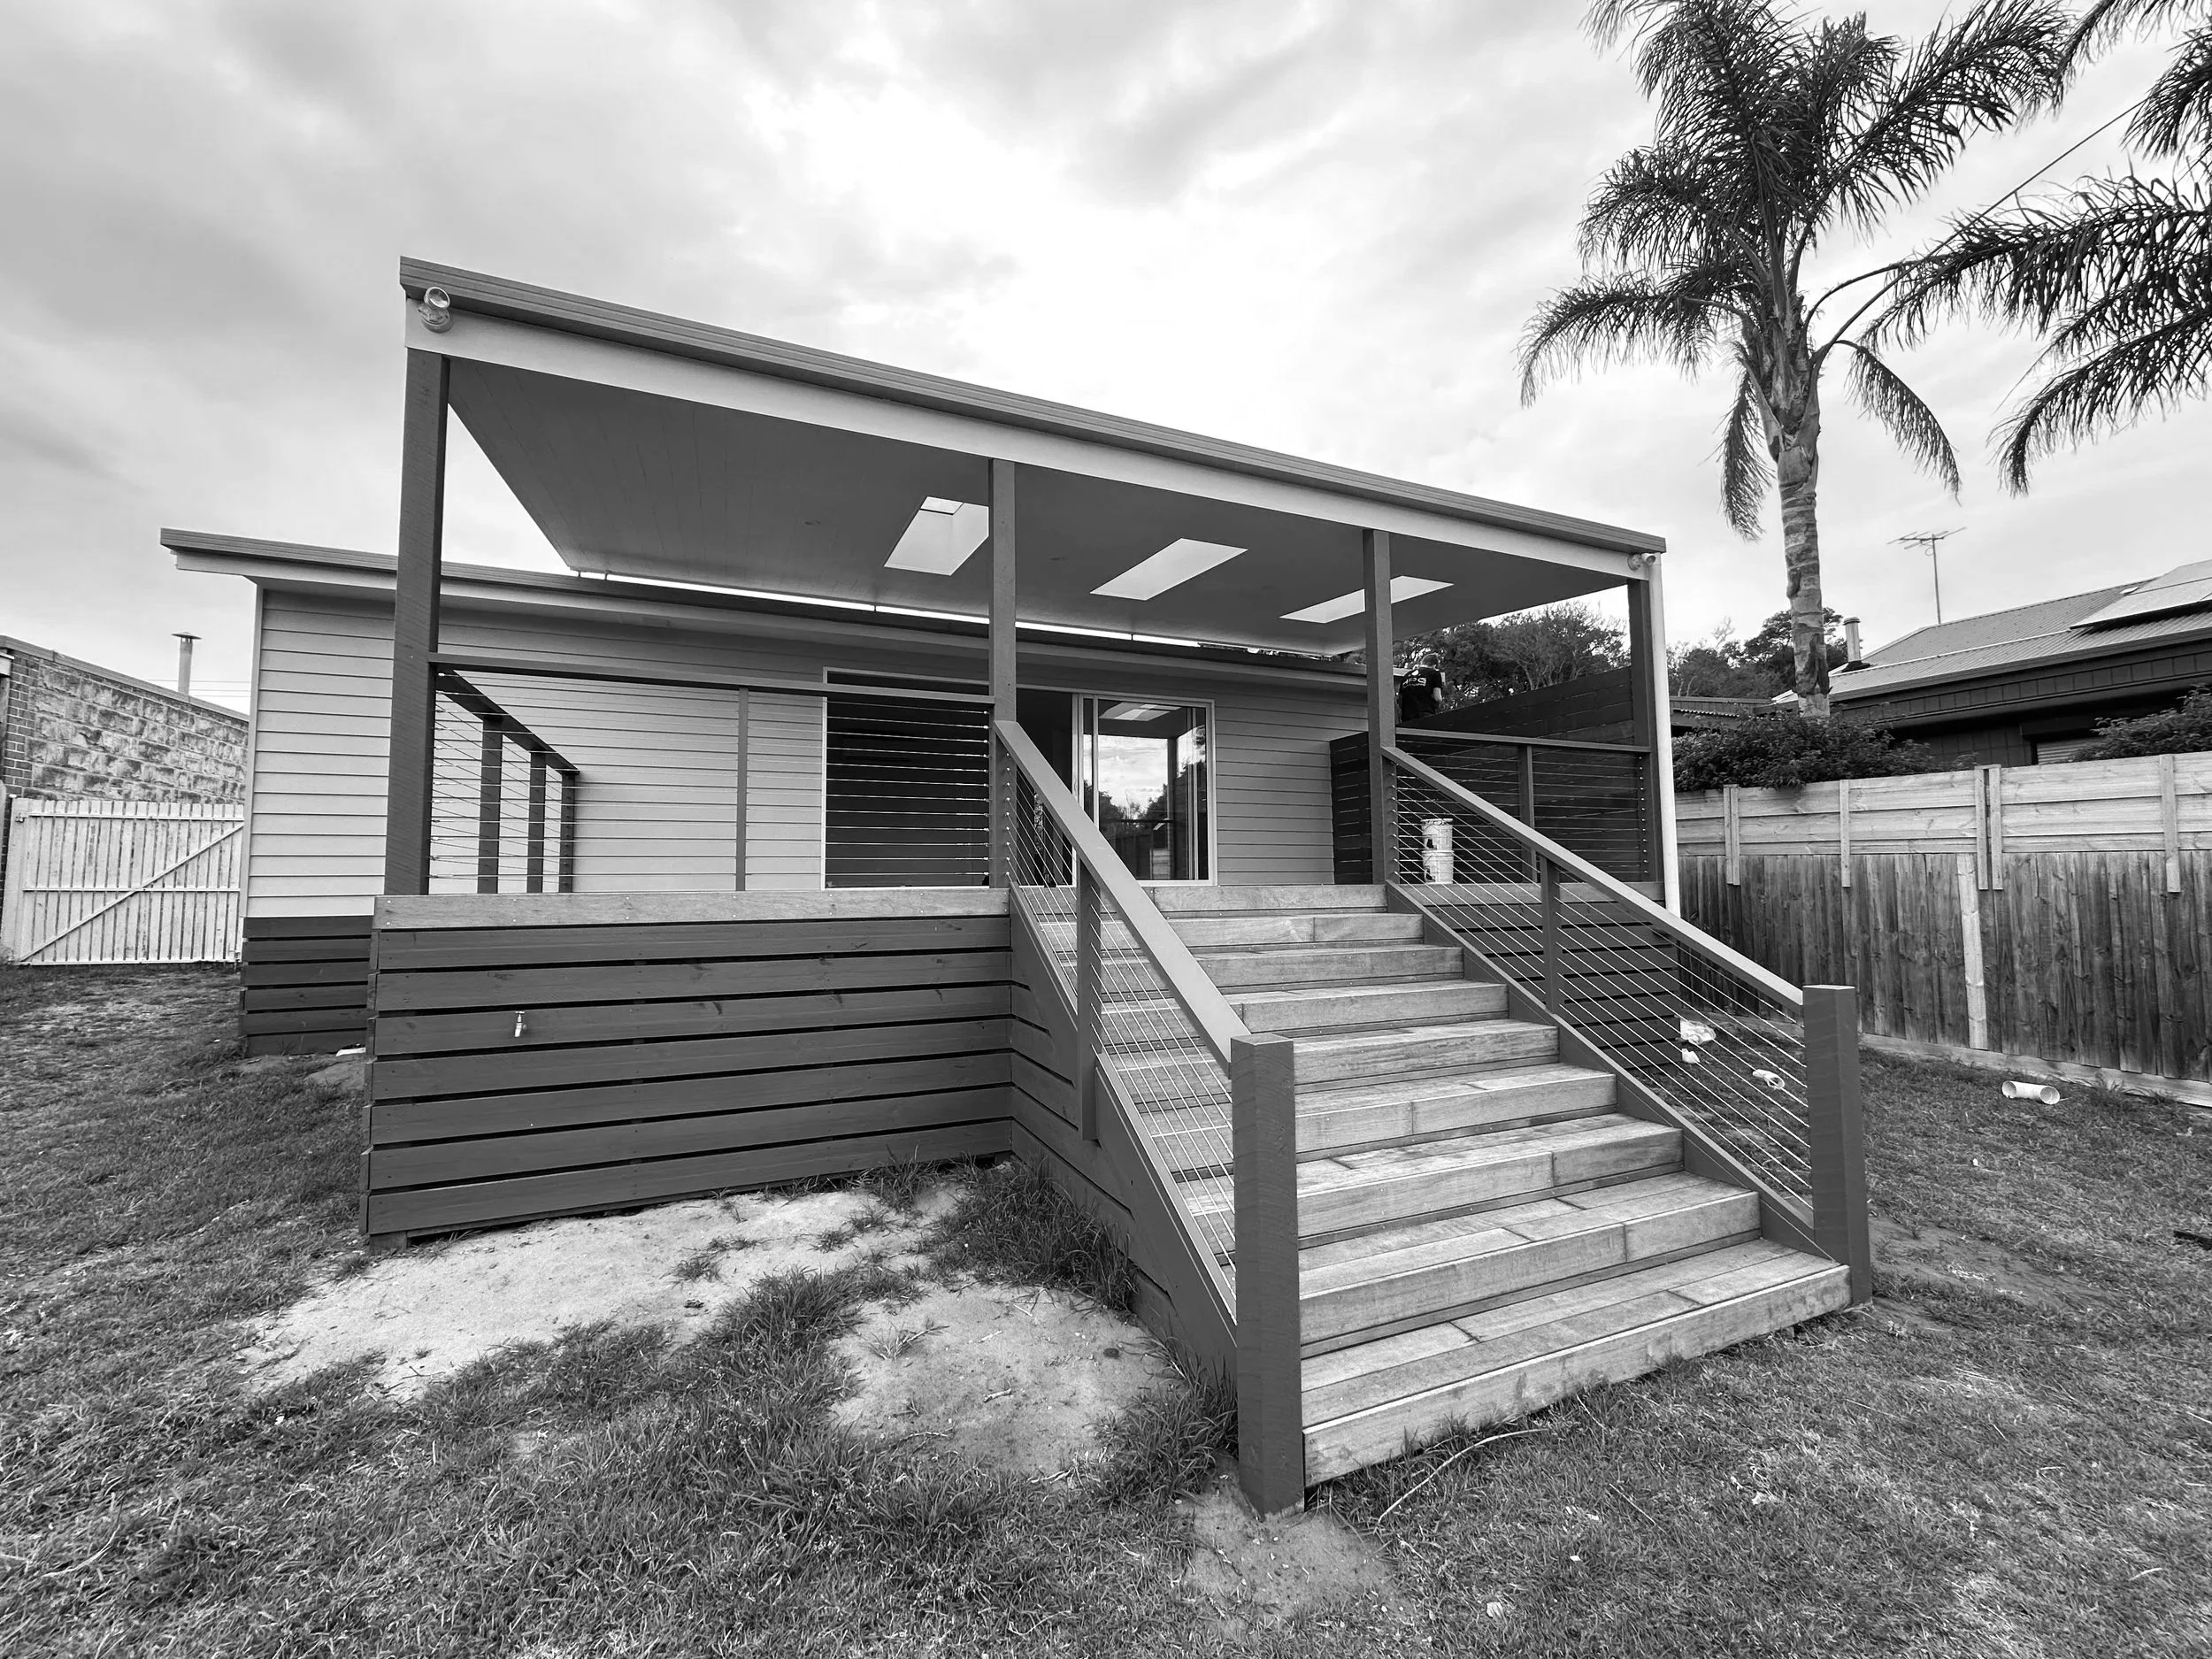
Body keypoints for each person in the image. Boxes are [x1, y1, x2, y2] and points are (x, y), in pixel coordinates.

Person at [1396, 651, 1446, 724]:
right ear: (1434, 666)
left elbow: (1400, 699)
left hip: (1407, 717)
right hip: (1425, 714)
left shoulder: (1407, 675)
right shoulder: (1434, 673)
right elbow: (1437, 697)